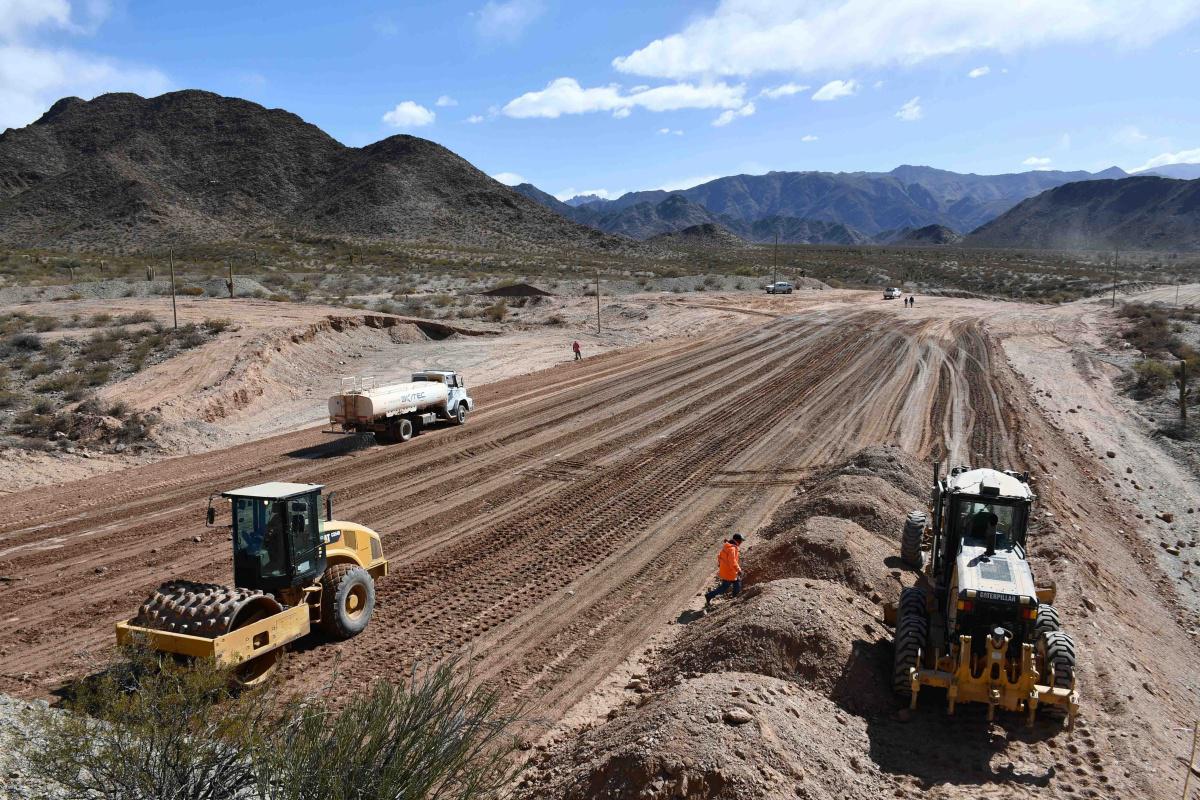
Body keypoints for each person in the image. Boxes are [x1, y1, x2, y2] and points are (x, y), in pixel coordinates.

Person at [704, 533, 744, 608]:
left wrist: (721, 564)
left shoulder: (727, 546)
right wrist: (738, 570)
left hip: (726, 570)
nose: (741, 542)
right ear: (738, 541)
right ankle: (709, 596)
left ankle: (735, 597)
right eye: (741, 541)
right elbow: (732, 561)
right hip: (729, 571)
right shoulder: (732, 549)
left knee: (736, 583)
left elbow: (719, 556)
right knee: (724, 587)